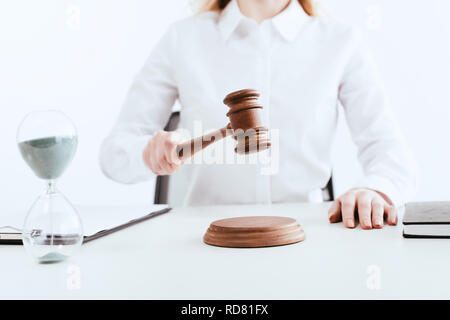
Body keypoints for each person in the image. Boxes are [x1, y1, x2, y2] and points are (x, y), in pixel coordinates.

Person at [100, 0, 417, 230]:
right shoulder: (182, 39)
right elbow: (114, 154)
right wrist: (146, 153)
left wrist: (375, 189)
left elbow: (391, 156)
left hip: (307, 238)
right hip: (203, 242)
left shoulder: (340, 42)